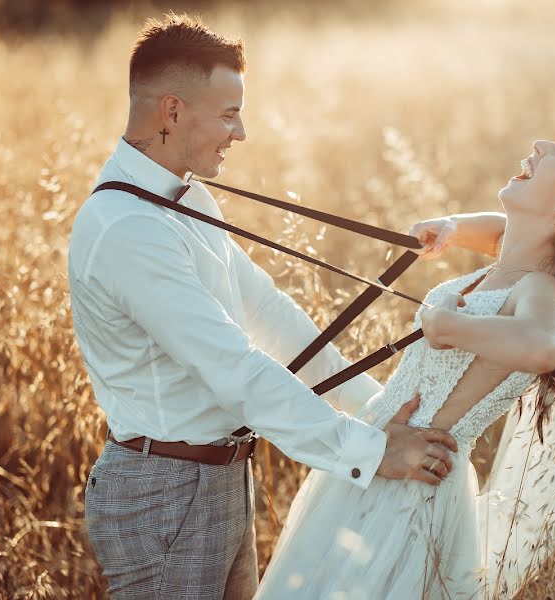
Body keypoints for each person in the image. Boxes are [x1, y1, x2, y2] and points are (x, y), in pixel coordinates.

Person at [68, 13, 464, 599]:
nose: (242, 132)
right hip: (162, 494)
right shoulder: (126, 227)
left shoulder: (188, 196)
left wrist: (378, 409)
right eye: (228, 114)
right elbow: (234, 367)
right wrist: (373, 451)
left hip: (224, 479)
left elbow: (273, 319)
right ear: (172, 112)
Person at [254, 134, 555, 599]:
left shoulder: (540, 289)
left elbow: (546, 346)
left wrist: (450, 326)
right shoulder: (512, 259)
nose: (541, 143)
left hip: (408, 484)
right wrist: (450, 226)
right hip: (378, 460)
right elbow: (500, 233)